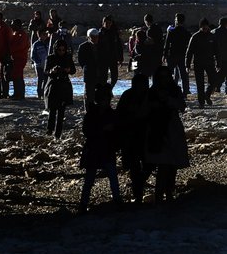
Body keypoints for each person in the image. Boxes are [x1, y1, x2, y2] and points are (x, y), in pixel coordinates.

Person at [145, 66, 188, 203]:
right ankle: (160, 194)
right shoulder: (152, 92)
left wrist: (168, 100)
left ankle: (168, 192)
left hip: (172, 127)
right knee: (164, 164)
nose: (164, 80)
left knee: (172, 165)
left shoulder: (174, 90)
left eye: (166, 77)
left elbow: (182, 106)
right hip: (158, 129)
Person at [78, 83, 121, 213]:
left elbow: (87, 131)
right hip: (102, 149)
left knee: (91, 179)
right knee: (109, 177)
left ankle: (84, 204)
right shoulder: (108, 114)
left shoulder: (93, 114)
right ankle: (117, 202)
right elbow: (87, 131)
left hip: (97, 149)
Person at [116, 74, 151, 204]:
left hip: (135, 135)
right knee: (140, 165)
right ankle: (138, 190)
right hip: (136, 135)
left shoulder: (128, 95)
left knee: (138, 166)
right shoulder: (145, 95)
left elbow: (119, 116)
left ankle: (138, 189)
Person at [44, 39, 76, 139]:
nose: (61, 52)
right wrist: (52, 71)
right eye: (59, 50)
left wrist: (68, 69)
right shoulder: (50, 58)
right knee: (52, 110)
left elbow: (73, 70)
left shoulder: (68, 57)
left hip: (64, 86)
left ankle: (58, 133)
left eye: (63, 50)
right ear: (56, 49)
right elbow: (46, 71)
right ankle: (49, 130)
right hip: (53, 85)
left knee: (61, 112)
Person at [186, 18, 218, 107]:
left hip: (210, 62)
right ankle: (201, 103)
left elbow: (217, 50)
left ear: (208, 26)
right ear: (200, 27)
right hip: (198, 63)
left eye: (206, 27)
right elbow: (189, 52)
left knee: (214, 81)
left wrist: (218, 63)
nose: (205, 28)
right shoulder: (195, 37)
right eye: (203, 27)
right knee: (199, 84)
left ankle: (206, 96)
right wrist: (187, 65)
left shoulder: (212, 36)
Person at [163, 13, 191, 95]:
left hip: (172, 55)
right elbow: (189, 46)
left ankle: (169, 90)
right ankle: (185, 92)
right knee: (183, 75)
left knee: (169, 74)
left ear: (176, 20)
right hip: (182, 55)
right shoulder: (186, 32)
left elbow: (167, 43)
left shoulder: (171, 31)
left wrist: (164, 55)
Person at [77, 28, 100, 111]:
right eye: (93, 37)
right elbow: (81, 60)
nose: (95, 38)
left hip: (100, 73)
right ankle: (88, 111)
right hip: (89, 73)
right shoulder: (83, 46)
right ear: (89, 37)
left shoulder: (101, 45)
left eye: (97, 36)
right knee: (88, 94)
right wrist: (86, 68)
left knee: (99, 94)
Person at [98, 15, 123, 86]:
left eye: (109, 23)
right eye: (106, 23)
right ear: (103, 23)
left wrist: (120, 58)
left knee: (115, 76)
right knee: (103, 76)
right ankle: (104, 90)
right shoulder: (100, 34)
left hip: (113, 57)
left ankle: (110, 88)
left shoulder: (114, 33)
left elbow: (118, 45)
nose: (108, 24)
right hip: (103, 58)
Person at [7, 19, 29, 100]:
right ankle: (16, 93)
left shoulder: (22, 35)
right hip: (15, 58)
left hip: (20, 58)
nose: (12, 26)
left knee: (18, 75)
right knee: (15, 75)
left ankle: (20, 94)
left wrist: (10, 49)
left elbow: (20, 46)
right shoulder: (15, 33)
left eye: (13, 25)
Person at [30, 29, 49, 100]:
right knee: (40, 79)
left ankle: (44, 93)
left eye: (46, 34)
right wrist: (38, 62)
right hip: (39, 65)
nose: (45, 35)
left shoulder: (48, 43)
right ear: (40, 35)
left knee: (46, 79)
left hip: (46, 65)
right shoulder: (36, 44)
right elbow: (32, 55)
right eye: (44, 34)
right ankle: (39, 94)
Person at [211, 17, 227, 93]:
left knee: (218, 74)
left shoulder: (213, 32)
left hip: (215, 57)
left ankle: (216, 87)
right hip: (225, 57)